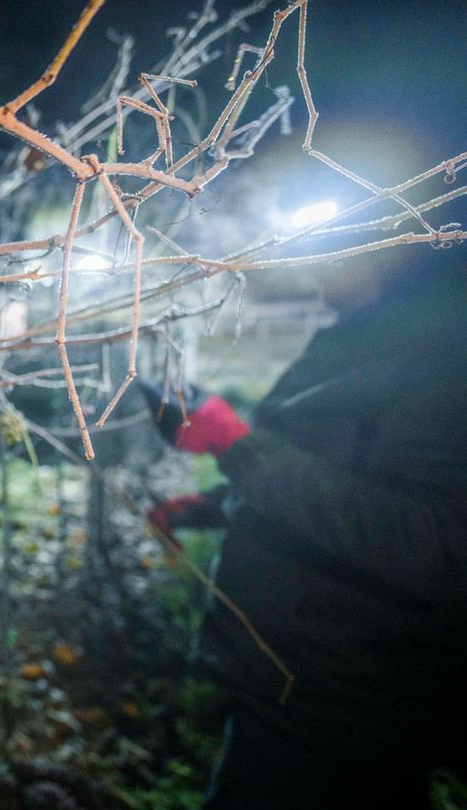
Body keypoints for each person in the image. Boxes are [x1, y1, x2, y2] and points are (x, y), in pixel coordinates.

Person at [143, 251, 467, 809]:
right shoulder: (361, 338)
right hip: (291, 679)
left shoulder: (445, 361)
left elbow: (433, 544)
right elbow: (335, 470)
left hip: (349, 704)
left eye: (338, 250)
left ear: (394, 249)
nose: (315, 267)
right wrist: (218, 504)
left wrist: (235, 444)